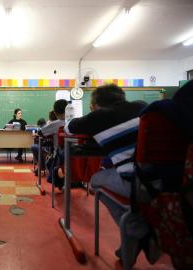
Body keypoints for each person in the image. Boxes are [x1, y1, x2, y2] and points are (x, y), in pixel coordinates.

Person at [66, 84, 152, 265]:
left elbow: (70, 127)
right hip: (165, 180)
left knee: (96, 180)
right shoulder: (142, 106)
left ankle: (136, 227)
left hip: (136, 183)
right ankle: (134, 231)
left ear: (96, 104)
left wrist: (91, 115)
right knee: (113, 172)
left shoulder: (98, 117)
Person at [31, 100, 68, 176]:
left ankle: (42, 169)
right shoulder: (75, 121)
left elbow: (40, 133)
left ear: (55, 113)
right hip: (76, 156)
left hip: (59, 156)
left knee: (36, 147)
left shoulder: (56, 124)